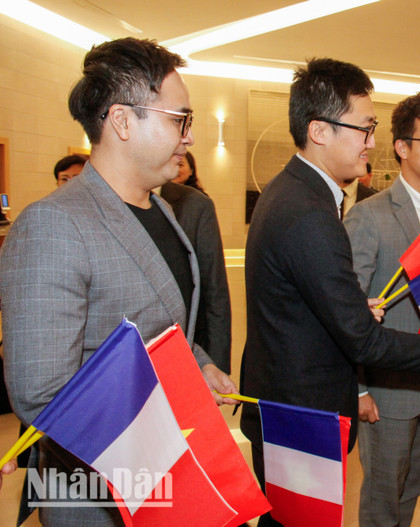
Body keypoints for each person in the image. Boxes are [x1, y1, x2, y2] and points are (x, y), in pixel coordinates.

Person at [239, 58, 420, 526]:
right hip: (303, 408)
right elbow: (361, 339)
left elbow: (319, 306)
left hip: (298, 402)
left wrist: (352, 307)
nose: (371, 143)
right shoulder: (310, 212)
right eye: (364, 128)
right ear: (320, 130)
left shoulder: (299, 195)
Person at [0, 37, 238, 526]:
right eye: (180, 120)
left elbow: (156, 326)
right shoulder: (55, 223)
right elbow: (43, 394)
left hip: (168, 471)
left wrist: (198, 364)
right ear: (124, 120)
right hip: (102, 495)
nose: (188, 136)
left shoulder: (167, 209)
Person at [344, 89, 420, 527]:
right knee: (382, 500)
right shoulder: (369, 216)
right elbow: (350, 313)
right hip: (387, 391)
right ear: (402, 147)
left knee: (412, 494)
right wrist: (358, 390)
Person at [160, 179, 232, 372]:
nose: (186, 145)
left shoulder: (195, 204)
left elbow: (214, 289)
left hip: (184, 353)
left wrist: (217, 364)